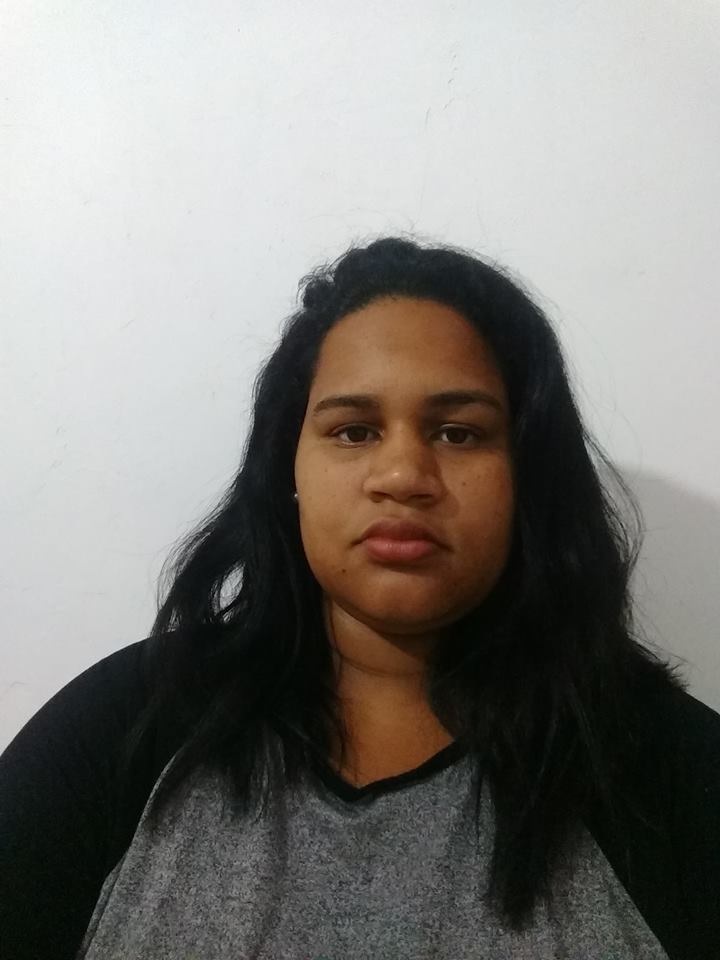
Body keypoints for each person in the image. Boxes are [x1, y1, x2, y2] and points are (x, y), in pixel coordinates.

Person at [1, 236, 718, 960]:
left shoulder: (663, 771)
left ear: (527, 476)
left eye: (458, 432)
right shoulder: (128, 727)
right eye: (353, 431)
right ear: (289, 468)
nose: (402, 474)